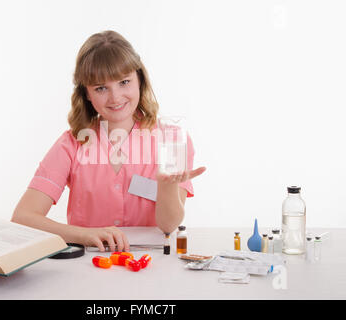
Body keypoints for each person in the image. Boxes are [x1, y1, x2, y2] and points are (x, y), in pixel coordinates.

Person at [11, 30, 206, 252]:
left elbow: (169, 225)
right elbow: (23, 217)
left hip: (150, 265)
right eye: (101, 88)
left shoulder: (172, 139)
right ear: (86, 93)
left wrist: (167, 188)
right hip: (89, 264)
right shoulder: (72, 143)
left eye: (124, 82)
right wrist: (85, 235)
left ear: (140, 80)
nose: (115, 97)